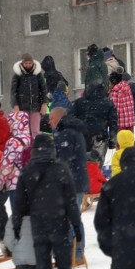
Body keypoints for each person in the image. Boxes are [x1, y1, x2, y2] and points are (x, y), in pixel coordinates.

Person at [13, 134, 82, 269]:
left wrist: (17, 226)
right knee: (65, 268)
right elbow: (70, 201)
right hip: (59, 224)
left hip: (38, 226)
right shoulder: (61, 169)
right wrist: (76, 225)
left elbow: (19, 203)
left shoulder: (27, 172)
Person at [49, 107, 89, 260]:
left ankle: (77, 254)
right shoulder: (72, 130)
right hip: (75, 181)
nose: (50, 122)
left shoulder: (66, 133)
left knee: (72, 219)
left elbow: (64, 161)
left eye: (51, 118)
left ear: (59, 117)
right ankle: (72, 252)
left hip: (72, 183)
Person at [0, 110, 32, 212]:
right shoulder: (34, 139)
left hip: (16, 185)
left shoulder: (13, 142)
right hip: (33, 185)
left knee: (19, 218)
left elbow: (6, 166)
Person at [72, 82, 117, 163]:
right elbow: (113, 123)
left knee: (82, 163)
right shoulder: (108, 104)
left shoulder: (79, 102)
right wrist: (112, 139)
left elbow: (72, 118)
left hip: (82, 136)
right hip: (100, 136)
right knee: (97, 162)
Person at [11, 53, 48, 138]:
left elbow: (43, 90)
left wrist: (44, 103)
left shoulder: (38, 75)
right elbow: (13, 92)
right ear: (22, 64)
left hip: (35, 107)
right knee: (24, 132)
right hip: (22, 109)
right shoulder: (18, 76)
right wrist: (15, 105)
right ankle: (25, 149)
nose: (28, 65)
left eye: (29, 63)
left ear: (33, 63)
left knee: (35, 131)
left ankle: (36, 147)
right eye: (26, 63)